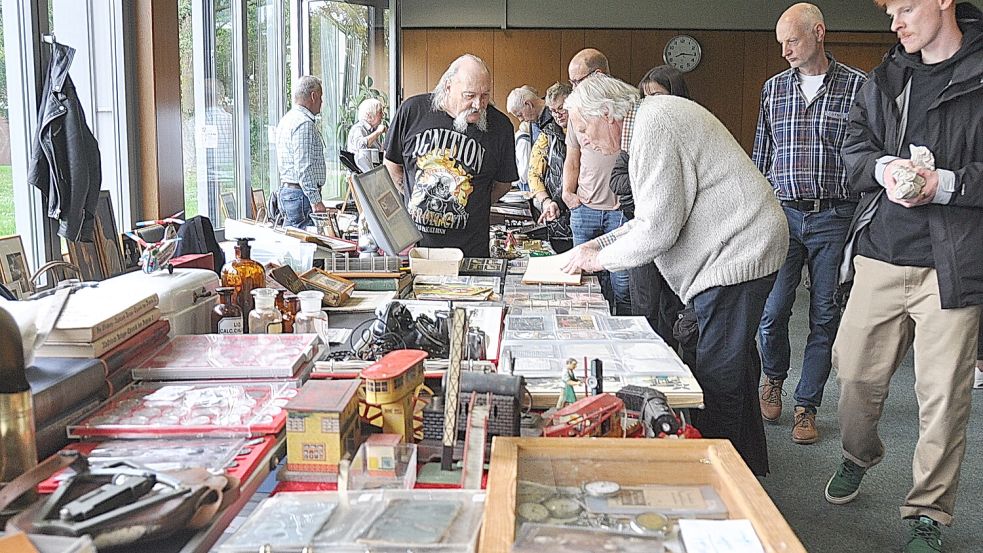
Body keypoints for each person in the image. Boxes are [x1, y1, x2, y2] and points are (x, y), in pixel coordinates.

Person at [561, 73, 788, 476]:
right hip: (732, 250)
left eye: (583, 128)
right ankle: (748, 463)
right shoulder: (649, 121)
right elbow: (649, 219)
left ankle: (719, 477)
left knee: (718, 371)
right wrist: (598, 245)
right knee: (728, 362)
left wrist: (600, 260)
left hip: (739, 252)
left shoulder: (654, 127)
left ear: (608, 114)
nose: (583, 141)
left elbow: (657, 230)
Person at [825, 2, 983, 551]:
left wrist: (944, 184)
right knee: (852, 380)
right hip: (882, 252)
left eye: (905, 7)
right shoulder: (887, 76)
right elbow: (850, 151)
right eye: (889, 10)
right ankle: (859, 454)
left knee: (943, 397)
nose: (894, 22)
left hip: (955, 265)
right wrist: (883, 168)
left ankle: (928, 513)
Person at [752, 3, 868, 445]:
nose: (784, 51)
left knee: (824, 313)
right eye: (780, 42)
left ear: (818, 32)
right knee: (773, 310)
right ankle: (773, 378)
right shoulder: (773, 89)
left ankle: (806, 406)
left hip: (835, 215)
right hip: (782, 213)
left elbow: (865, 155)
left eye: (792, 40)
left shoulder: (858, 87)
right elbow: (762, 155)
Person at [384, 54, 518, 258]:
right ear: (447, 87)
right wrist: (413, 196)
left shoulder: (500, 127)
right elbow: (392, 164)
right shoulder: (412, 111)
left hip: (470, 253)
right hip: (417, 251)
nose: (478, 104)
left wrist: (474, 204)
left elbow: (503, 184)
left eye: (484, 96)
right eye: (469, 95)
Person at [609, 65, 691, 363]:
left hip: (680, 242)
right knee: (643, 304)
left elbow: (680, 188)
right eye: (645, 97)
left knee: (675, 313)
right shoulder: (637, 133)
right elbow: (617, 179)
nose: (650, 102)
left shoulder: (692, 129)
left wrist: (646, 185)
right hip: (642, 231)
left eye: (657, 94)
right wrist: (648, 185)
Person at [564, 49, 630, 315]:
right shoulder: (577, 111)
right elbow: (573, 155)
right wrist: (568, 193)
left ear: (598, 75)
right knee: (583, 283)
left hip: (621, 213)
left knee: (622, 285)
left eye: (577, 82)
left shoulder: (624, 111)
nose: (573, 88)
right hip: (585, 208)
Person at [274, 75, 327, 228]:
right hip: (301, 196)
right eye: (321, 97)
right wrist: (316, 201)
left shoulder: (286, 120)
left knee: (292, 242)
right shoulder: (304, 124)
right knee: (304, 247)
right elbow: (304, 167)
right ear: (313, 96)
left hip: (289, 192)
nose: (322, 102)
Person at [527, 82, 573, 252]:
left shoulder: (587, 132)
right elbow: (533, 174)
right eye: (553, 111)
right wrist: (545, 201)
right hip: (556, 215)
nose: (557, 115)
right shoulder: (547, 135)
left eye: (562, 109)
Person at [508, 86, 551, 192]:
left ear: (528, 104)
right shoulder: (533, 122)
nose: (521, 119)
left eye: (520, 115)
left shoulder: (555, 115)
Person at [346, 98, 387, 172]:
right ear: (370, 115)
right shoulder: (359, 128)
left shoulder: (371, 130)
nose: (382, 116)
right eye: (380, 112)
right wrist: (378, 132)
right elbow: (360, 146)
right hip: (361, 175)